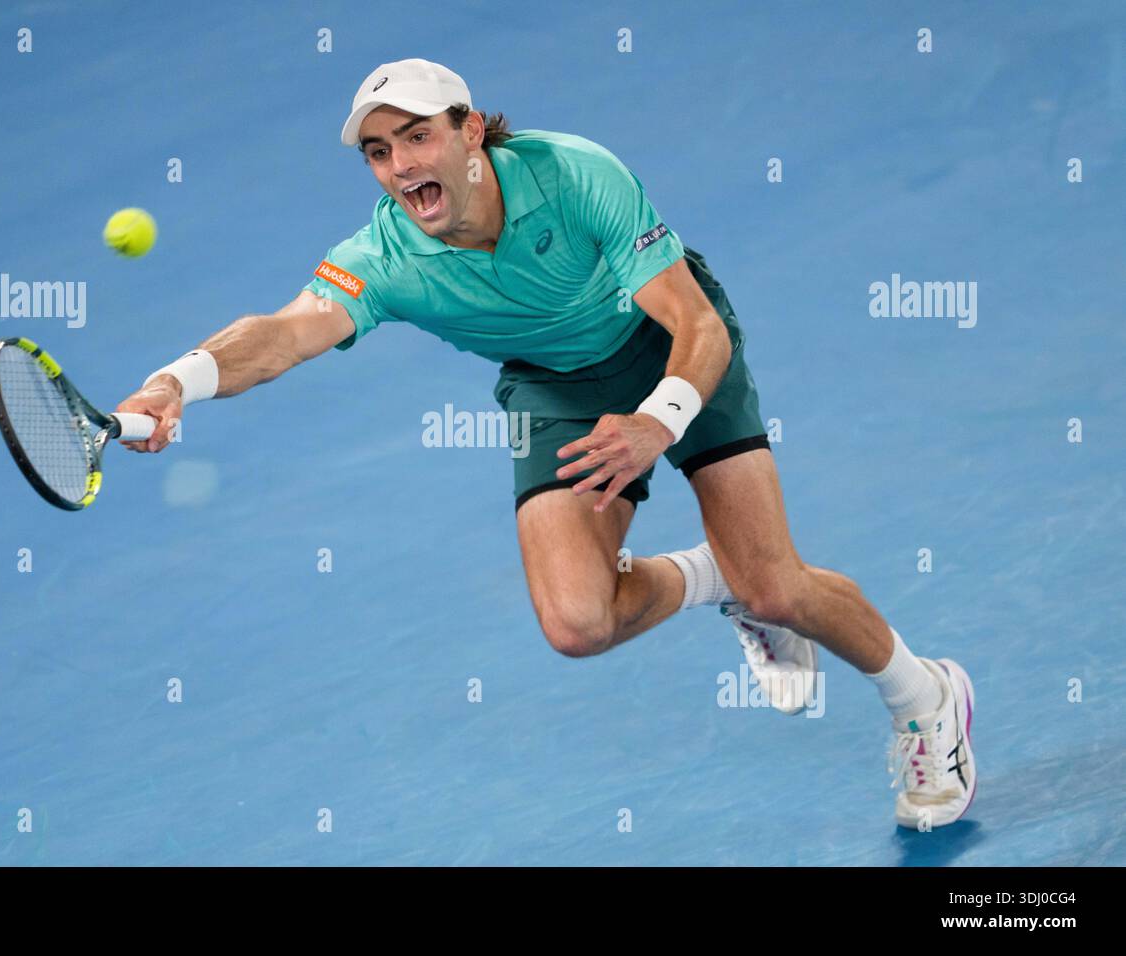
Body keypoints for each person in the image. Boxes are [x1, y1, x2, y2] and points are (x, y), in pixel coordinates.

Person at [117, 58, 976, 828]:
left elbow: (696, 322)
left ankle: (925, 695)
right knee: (576, 622)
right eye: (378, 152)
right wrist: (175, 380)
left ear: (470, 130)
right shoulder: (381, 254)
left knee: (782, 587)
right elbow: (283, 331)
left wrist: (658, 420)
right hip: (555, 387)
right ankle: (717, 578)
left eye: (416, 137)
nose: (400, 166)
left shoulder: (576, 174)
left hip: (664, 343)